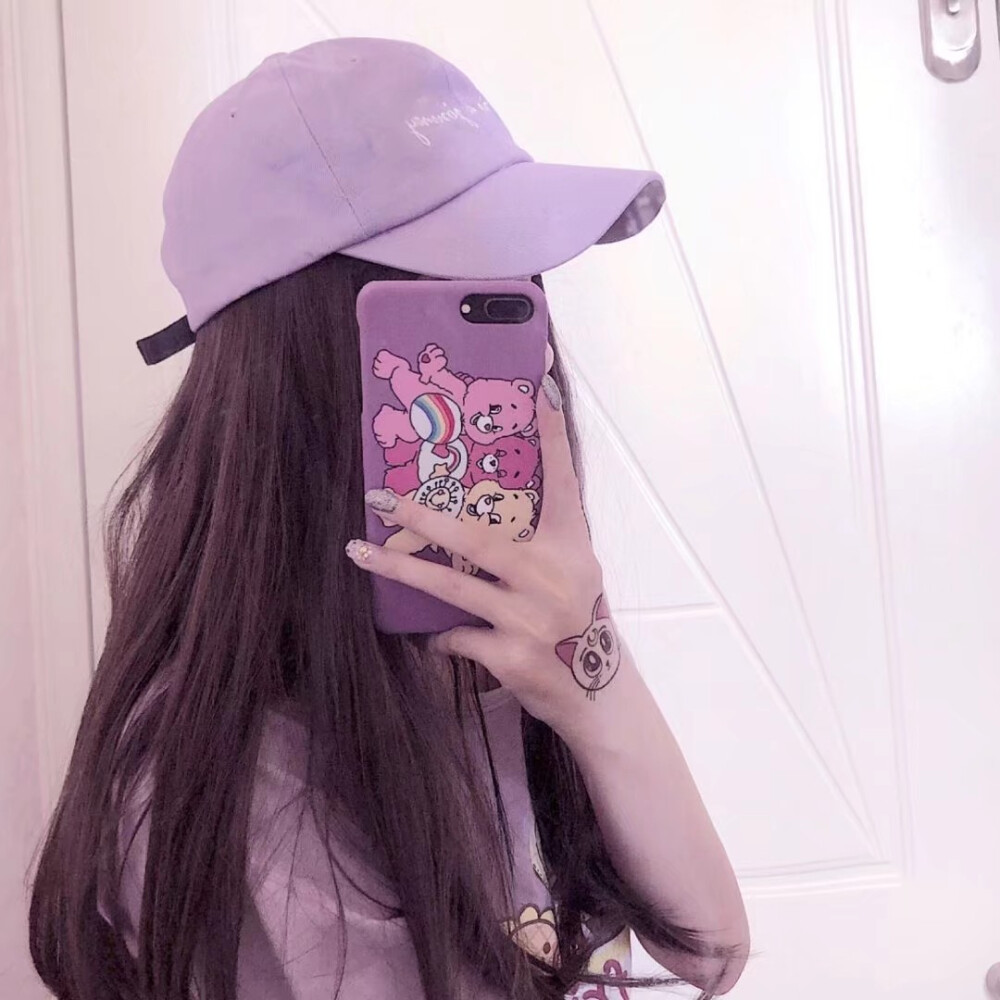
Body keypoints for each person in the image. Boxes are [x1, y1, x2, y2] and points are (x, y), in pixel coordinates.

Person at [28, 37, 749, 1000]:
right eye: (467, 295)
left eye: (521, 286)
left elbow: (710, 952)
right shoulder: (238, 788)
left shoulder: (518, 651)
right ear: (320, 355)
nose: (527, 354)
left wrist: (594, 677)